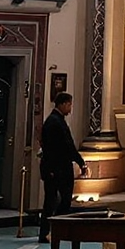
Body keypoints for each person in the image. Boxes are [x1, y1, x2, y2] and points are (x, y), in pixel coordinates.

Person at [38, 89, 87, 240]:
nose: (71, 108)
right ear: (64, 104)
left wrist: (80, 162)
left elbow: (67, 145)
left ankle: (54, 230)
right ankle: (50, 231)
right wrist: (80, 162)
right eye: (70, 105)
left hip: (59, 167)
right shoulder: (54, 122)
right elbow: (61, 147)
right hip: (56, 169)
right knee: (56, 201)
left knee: (59, 200)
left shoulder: (57, 120)